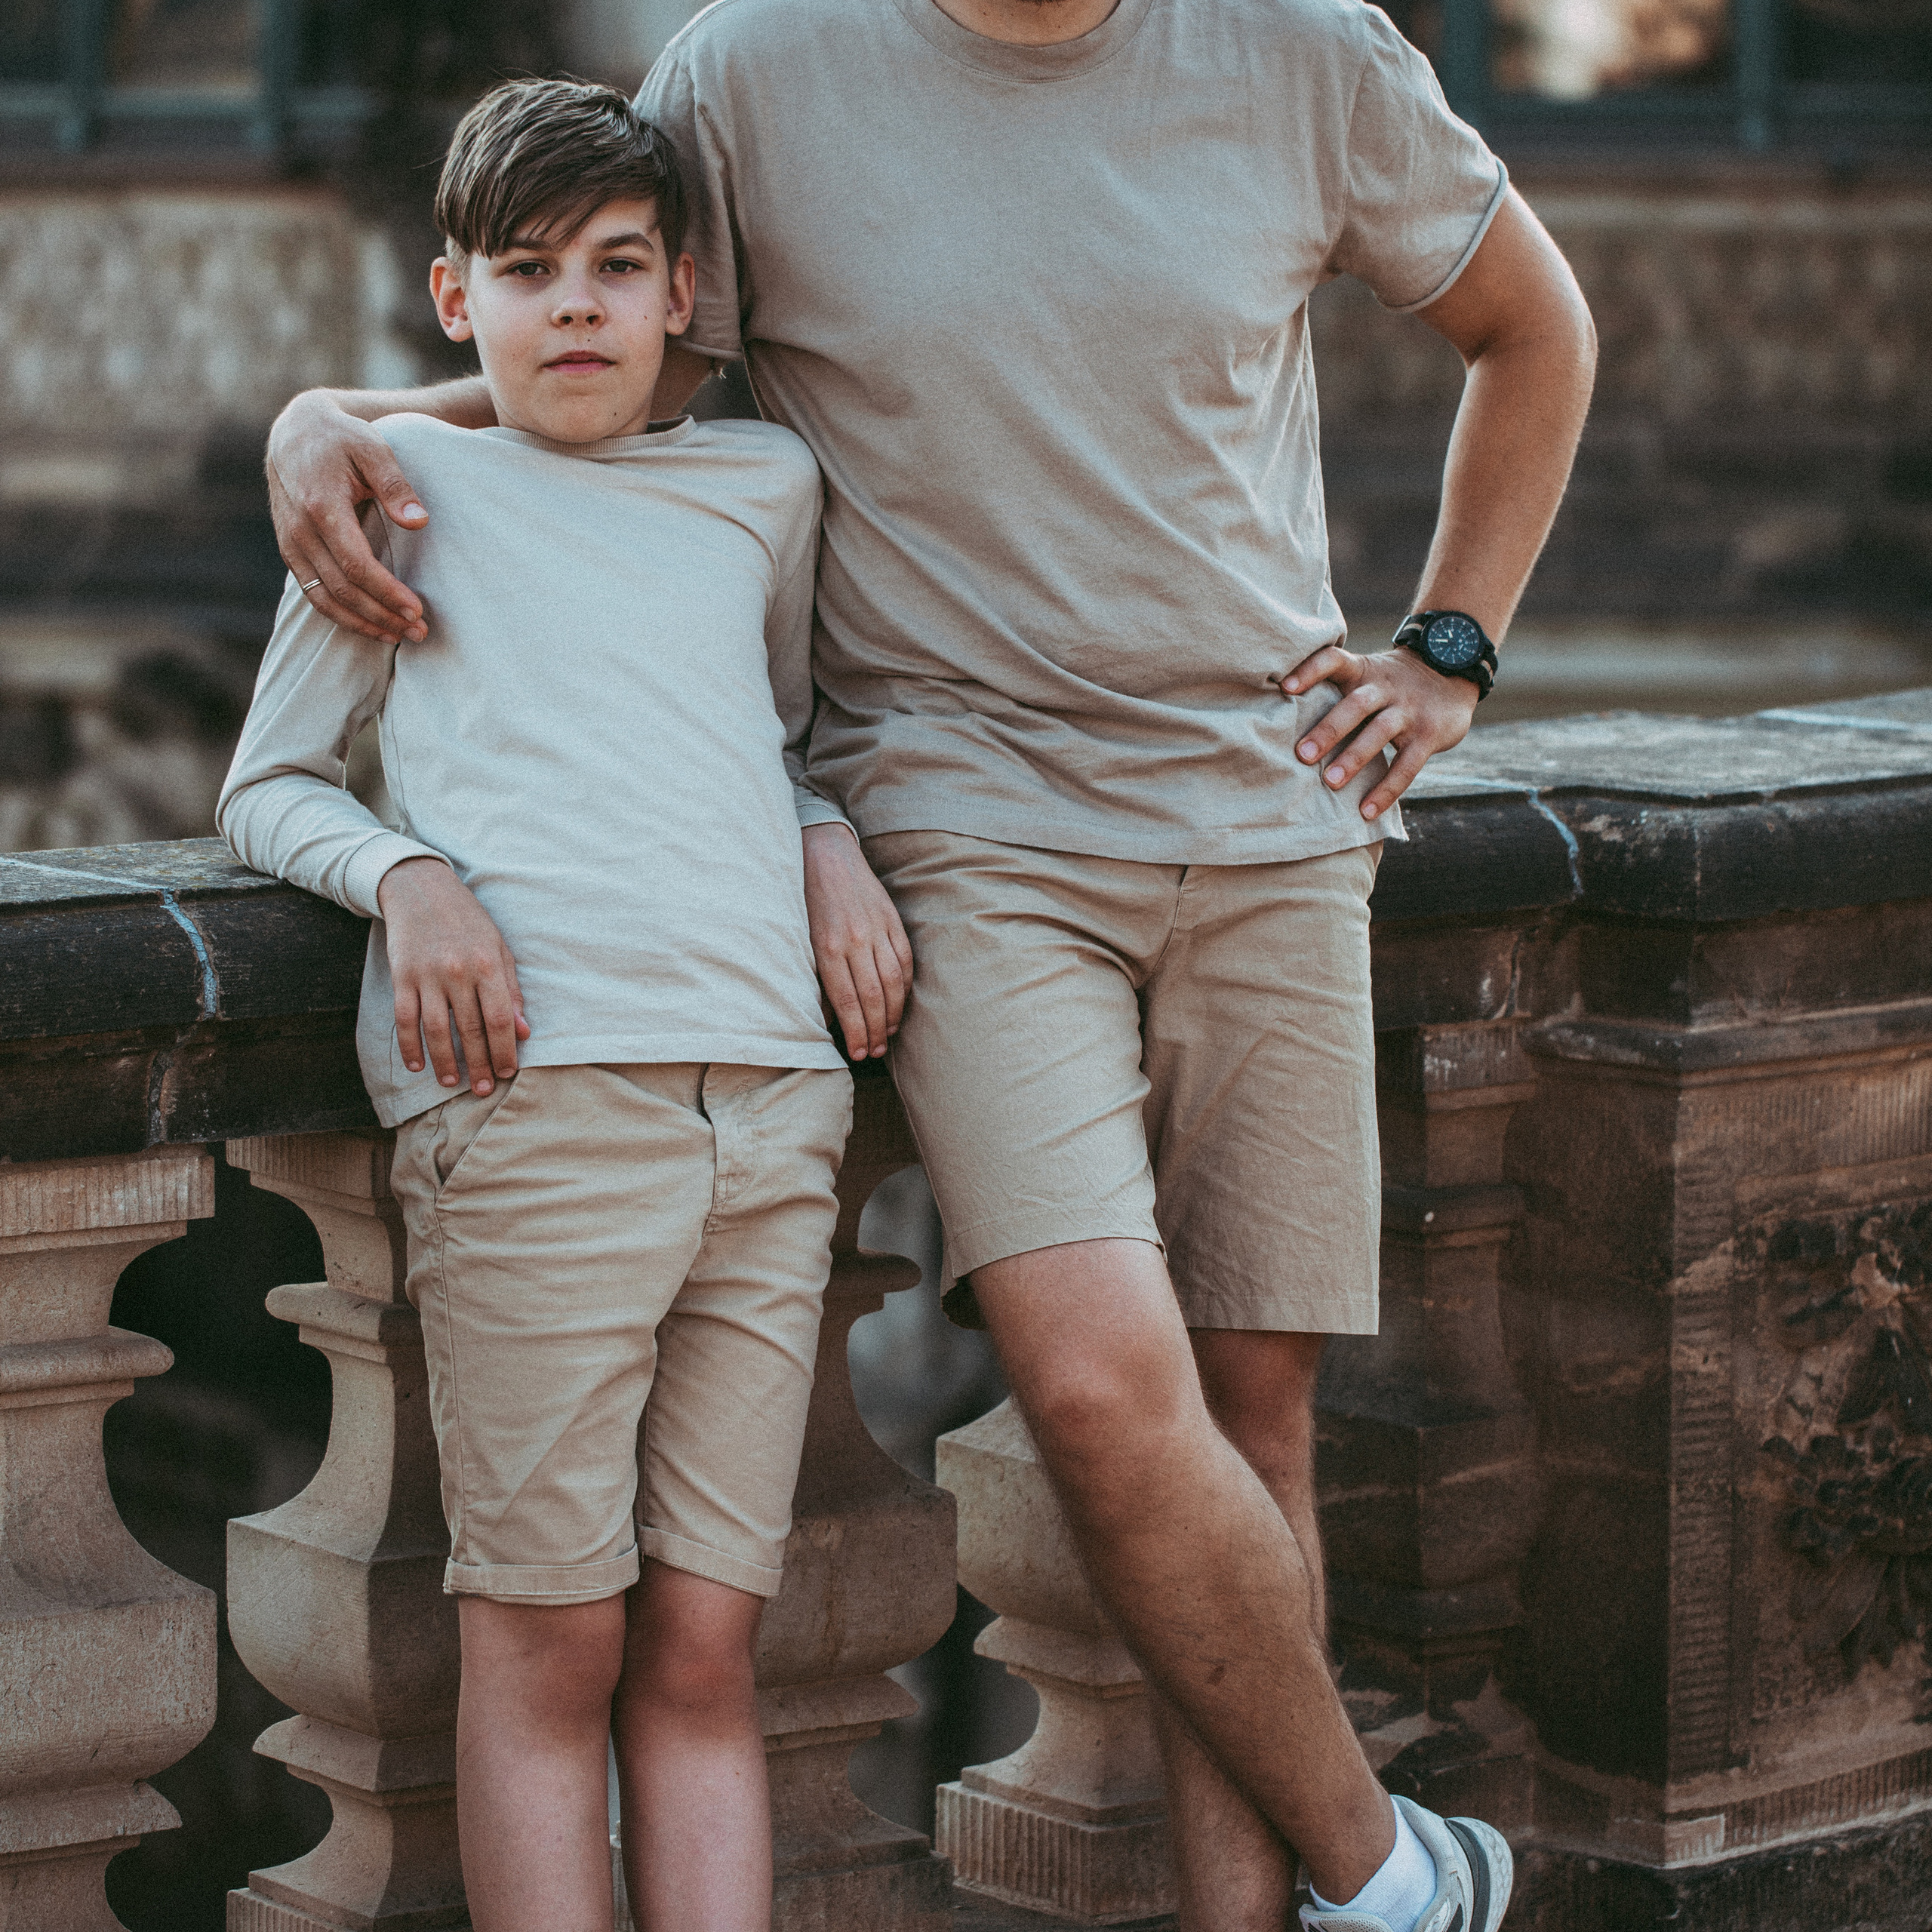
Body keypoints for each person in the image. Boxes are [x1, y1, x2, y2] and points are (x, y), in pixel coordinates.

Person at [263, 1, 1598, 1925]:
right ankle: (1395, 1874)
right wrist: (350, 416)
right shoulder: (752, 71)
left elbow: (1530, 327)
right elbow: (594, 339)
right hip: (961, 819)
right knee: (1093, 1381)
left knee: (1253, 1417)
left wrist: (1450, 648)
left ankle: (1312, 1910)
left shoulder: (1308, 54)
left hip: (1272, 801)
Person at [220, 78, 871, 1932]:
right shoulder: (397, 494)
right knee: (548, 1635)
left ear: (682, 297)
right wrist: (405, 877)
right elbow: (271, 783)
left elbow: (769, 731)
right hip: (533, 1108)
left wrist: (819, 830)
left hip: (767, 1108)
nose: (572, 304)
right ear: (456, 296)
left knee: (704, 1641)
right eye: (527, 270)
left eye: (614, 266)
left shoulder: (763, 483)